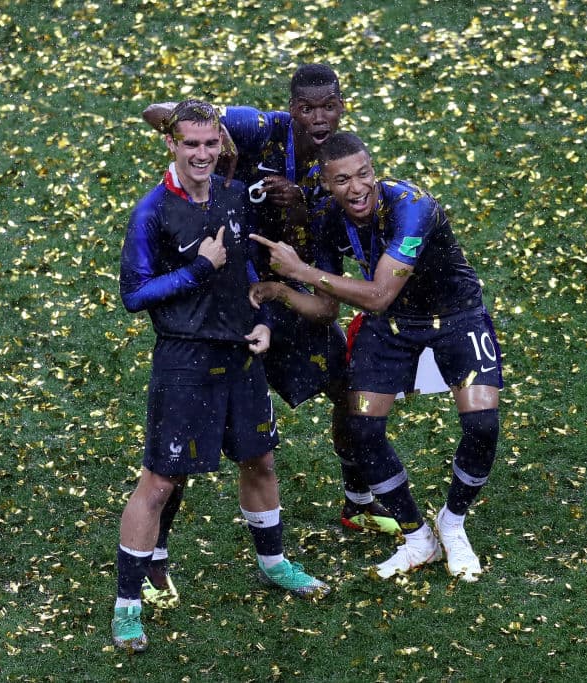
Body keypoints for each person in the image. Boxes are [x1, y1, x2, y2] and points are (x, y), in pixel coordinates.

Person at [138, 65, 398, 607]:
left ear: (343, 107)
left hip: (284, 297)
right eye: (308, 107)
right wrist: (217, 148)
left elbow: (326, 307)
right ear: (291, 108)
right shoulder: (258, 129)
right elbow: (159, 114)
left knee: (348, 395)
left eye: (329, 106)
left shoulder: (337, 178)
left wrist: (299, 219)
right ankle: (153, 560)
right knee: (188, 440)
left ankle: (357, 501)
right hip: (225, 300)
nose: (319, 117)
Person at [112, 99, 328, 653]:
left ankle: (274, 563)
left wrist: (262, 323)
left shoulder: (234, 198)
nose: (203, 154)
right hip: (184, 361)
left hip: (241, 356)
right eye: (192, 144)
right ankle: (127, 607)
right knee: (160, 480)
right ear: (172, 144)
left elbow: (251, 271)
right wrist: (199, 269)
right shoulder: (152, 212)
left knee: (260, 460)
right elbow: (134, 295)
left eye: (212, 144)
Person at [250, 131, 503, 583]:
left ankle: (453, 523)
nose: (357, 187)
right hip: (392, 327)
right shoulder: (327, 214)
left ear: (374, 170)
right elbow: (327, 307)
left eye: (364, 173)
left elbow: (379, 294)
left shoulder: (413, 208)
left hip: (456, 315)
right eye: (343, 179)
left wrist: (302, 271)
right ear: (327, 183)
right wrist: (281, 290)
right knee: (360, 427)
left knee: (482, 425)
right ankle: (417, 536)